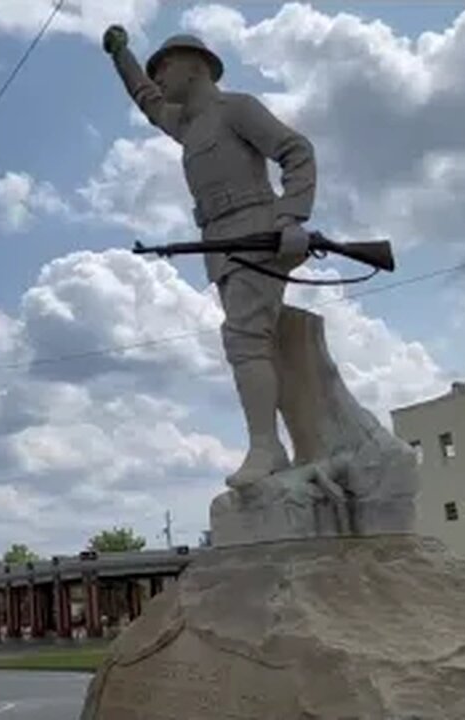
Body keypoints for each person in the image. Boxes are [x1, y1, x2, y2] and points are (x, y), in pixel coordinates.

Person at [102, 25, 318, 487]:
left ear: (196, 67)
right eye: (155, 68)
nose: (158, 76)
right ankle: (296, 440)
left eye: (165, 66)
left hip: (257, 233)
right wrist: (121, 55)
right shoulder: (187, 126)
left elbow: (295, 151)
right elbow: (145, 98)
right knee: (258, 342)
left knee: (244, 338)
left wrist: (290, 218)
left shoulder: (235, 108)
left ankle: (267, 447)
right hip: (219, 243)